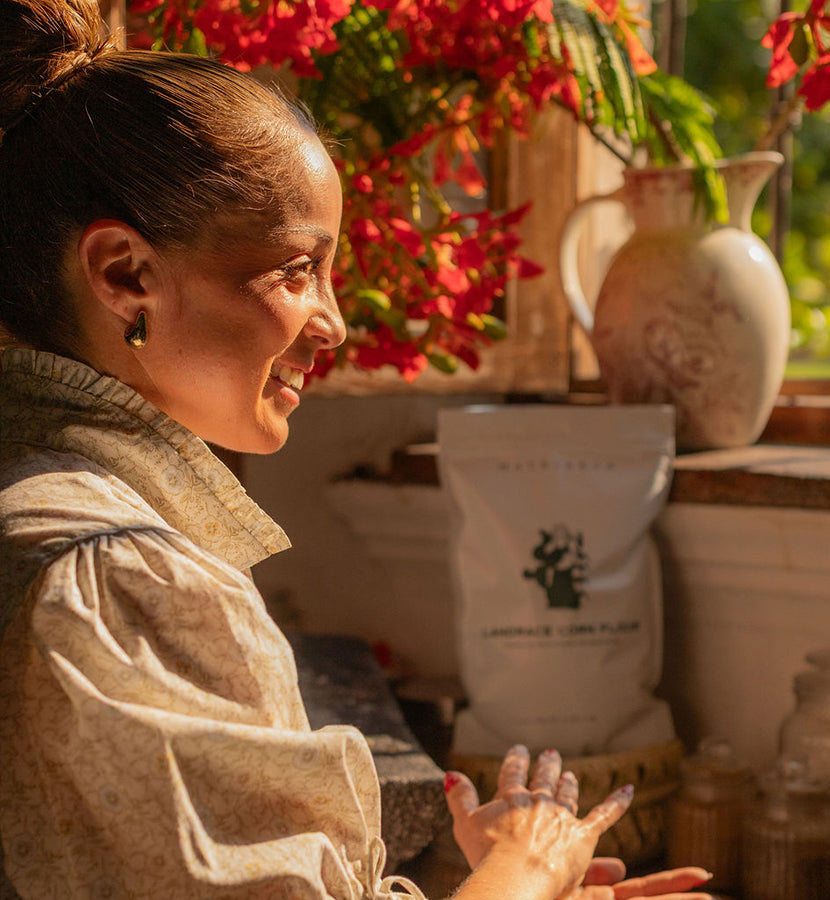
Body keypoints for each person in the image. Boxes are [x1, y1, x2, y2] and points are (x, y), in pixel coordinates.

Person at [0, 2, 715, 898]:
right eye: (300, 270)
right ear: (125, 273)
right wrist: (525, 866)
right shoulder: (115, 578)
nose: (334, 322)